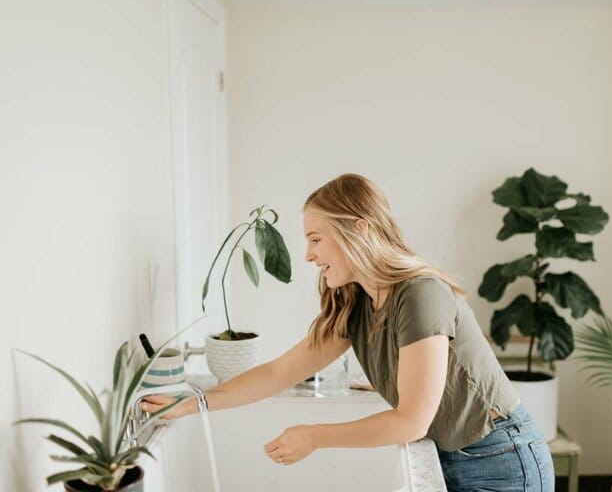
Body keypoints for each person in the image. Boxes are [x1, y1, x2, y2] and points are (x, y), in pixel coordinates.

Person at [142, 173, 555, 492]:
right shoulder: (356, 306)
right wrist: (190, 404)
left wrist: (315, 437)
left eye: (316, 239)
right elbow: (276, 373)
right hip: (454, 454)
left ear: (359, 230)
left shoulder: (420, 295)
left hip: (502, 459)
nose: (308, 255)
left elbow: (411, 420)